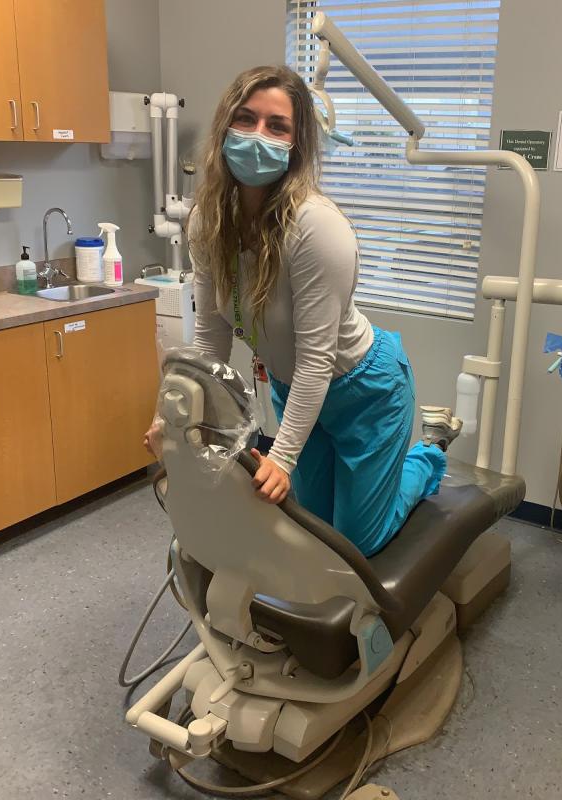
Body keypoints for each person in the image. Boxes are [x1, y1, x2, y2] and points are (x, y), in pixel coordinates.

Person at [146, 65, 460, 557]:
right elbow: (210, 340)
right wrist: (175, 416)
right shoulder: (208, 220)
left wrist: (283, 457)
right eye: (245, 119)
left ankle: (428, 454)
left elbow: (317, 359)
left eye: (277, 126)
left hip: (365, 390)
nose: (256, 135)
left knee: (357, 542)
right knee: (314, 528)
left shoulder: (315, 227)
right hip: (296, 390)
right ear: (224, 126)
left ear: (297, 144)